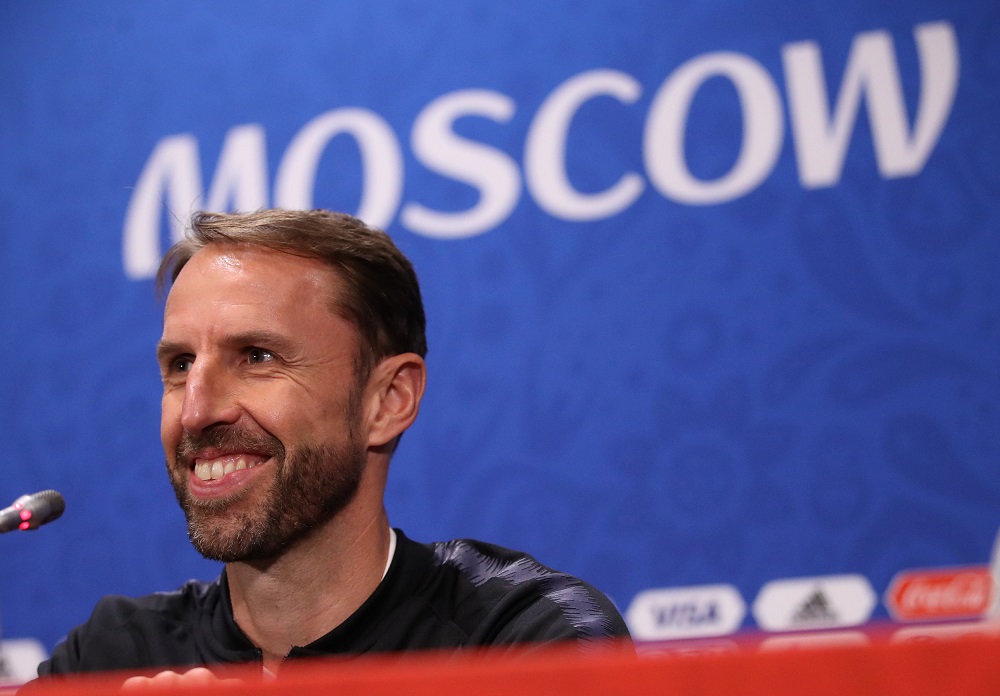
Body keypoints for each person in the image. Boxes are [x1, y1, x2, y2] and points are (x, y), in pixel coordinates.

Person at [36, 209, 630, 684]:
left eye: (258, 358)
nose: (196, 410)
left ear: (388, 399)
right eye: (180, 364)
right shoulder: (110, 656)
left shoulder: (527, 640)